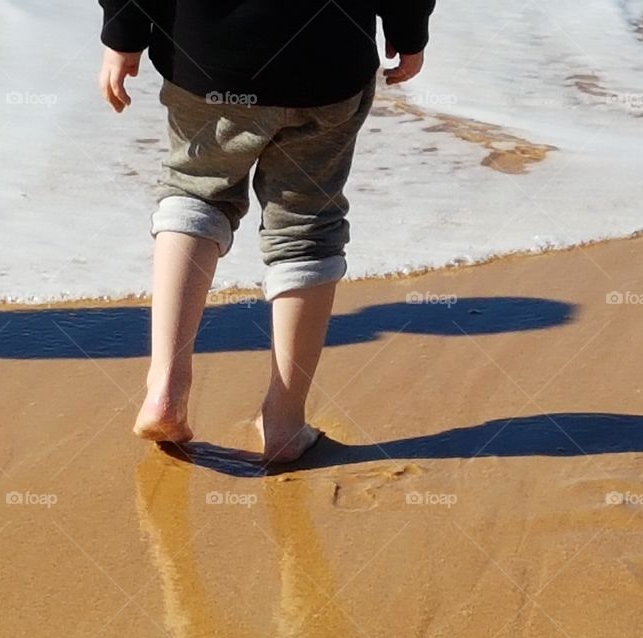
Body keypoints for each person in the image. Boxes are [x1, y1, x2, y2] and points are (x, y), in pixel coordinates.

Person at [97, 0, 436, 462]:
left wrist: (123, 32)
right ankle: (284, 421)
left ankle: (166, 387)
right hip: (328, 60)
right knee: (306, 226)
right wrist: (408, 28)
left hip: (205, 56)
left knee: (197, 192)